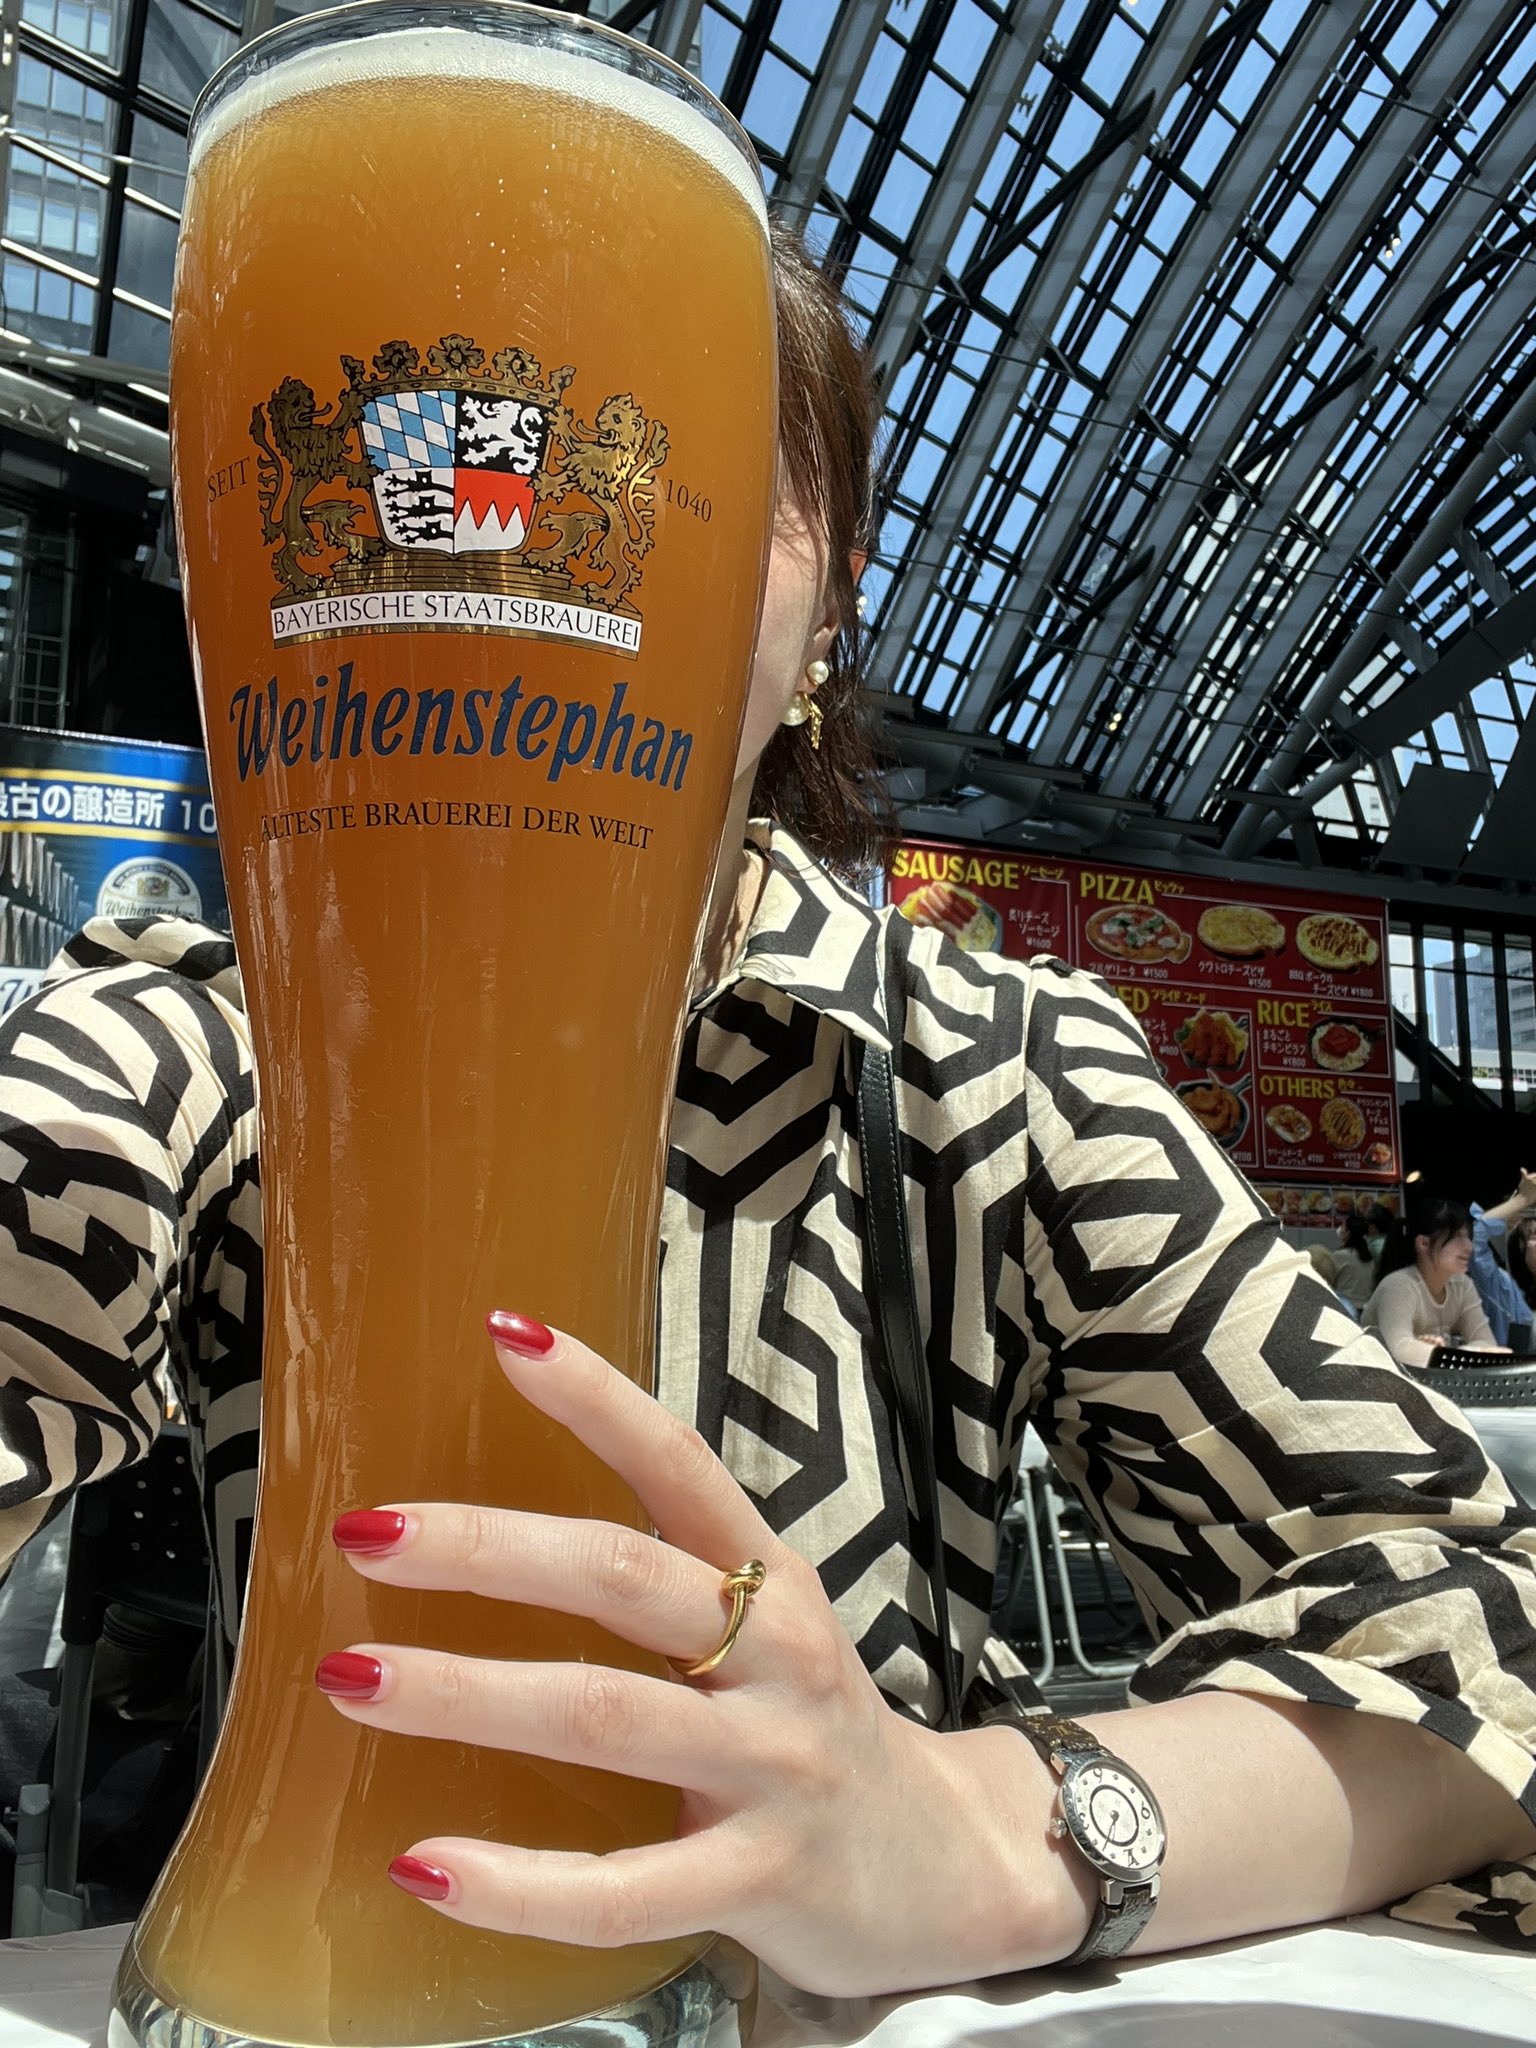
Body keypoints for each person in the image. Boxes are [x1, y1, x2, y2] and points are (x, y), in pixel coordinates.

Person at [1, 222, 1534, 1984]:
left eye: (695, 464)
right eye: (485, 429)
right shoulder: (194, 1032)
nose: (539, 518)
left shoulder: (988, 1063)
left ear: (829, 603)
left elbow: (1488, 1622)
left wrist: (997, 1830)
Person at [1363, 1193, 1512, 1369]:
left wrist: (1444, 1353)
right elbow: (1398, 1350)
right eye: (1457, 1237)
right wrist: (1453, 1353)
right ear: (1423, 1243)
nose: (1469, 1246)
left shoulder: (1461, 1285)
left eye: (1468, 1236)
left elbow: (1485, 1341)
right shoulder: (1398, 1286)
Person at [1468, 1171, 1536, 1350]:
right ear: (1520, 1247)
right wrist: (1522, 1200)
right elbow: (1476, 1239)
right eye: (1535, 1235)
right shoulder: (1504, 1289)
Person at [1315, 1204, 1394, 1315]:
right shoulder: (1369, 1256)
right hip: (1365, 1308)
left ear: (1348, 1233)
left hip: (1345, 1307)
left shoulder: (1340, 1255)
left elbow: (1327, 1279)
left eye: (1343, 1227)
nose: (1340, 1229)